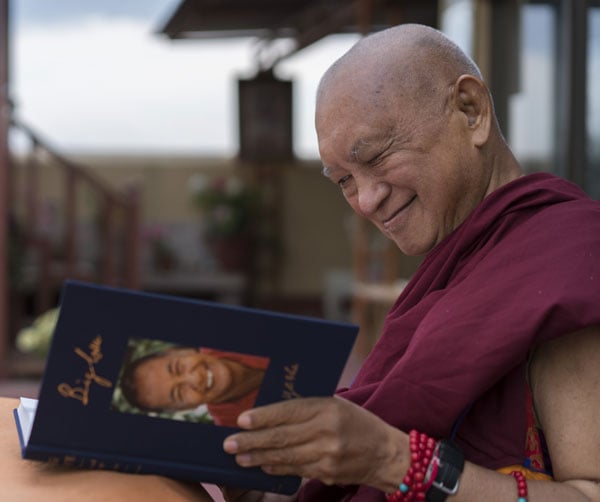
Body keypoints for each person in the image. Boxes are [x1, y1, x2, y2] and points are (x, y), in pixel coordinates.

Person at [218, 23, 600, 501]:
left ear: (470, 110)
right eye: (343, 181)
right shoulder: (460, 267)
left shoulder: (568, 259)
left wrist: (394, 461)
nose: (365, 201)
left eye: (376, 157)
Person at [120, 346, 269, 427]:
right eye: (180, 393)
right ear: (185, 409)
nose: (196, 378)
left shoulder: (233, 329)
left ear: (182, 351)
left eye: (178, 367)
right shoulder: (237, 428)